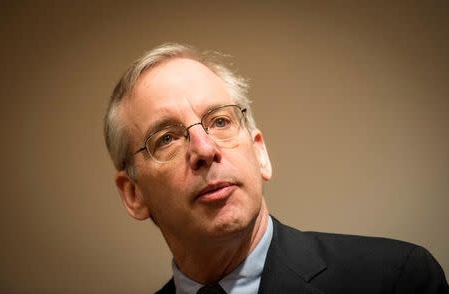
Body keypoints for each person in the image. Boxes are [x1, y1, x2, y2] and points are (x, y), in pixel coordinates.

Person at [104, 43, 448, 294]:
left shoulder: (397, 280)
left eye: (220, 121)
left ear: (260, 153)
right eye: (166, 139)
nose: (204, 150)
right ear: (134, 195)